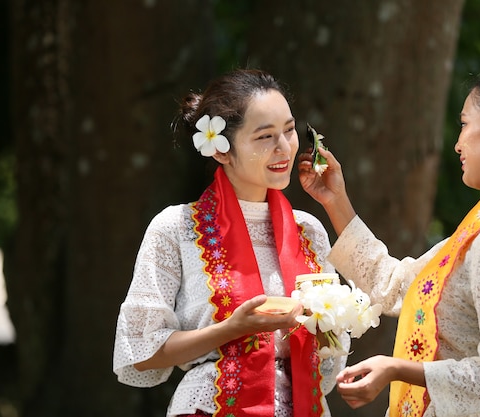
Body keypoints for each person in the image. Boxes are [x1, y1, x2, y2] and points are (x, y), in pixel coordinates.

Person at [297, 68, 480, 416]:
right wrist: (335, 200)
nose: (457, 143)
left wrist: (397, 369)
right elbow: (395, 285)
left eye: (464, 124)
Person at [113, 68, 348, 417]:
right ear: (222, 151)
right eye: (265, 137)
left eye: (288, 129)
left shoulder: (308, 230)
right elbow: (141, 350)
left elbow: (330, 355)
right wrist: (230, 329)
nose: (284, 147)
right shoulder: (177, 228)